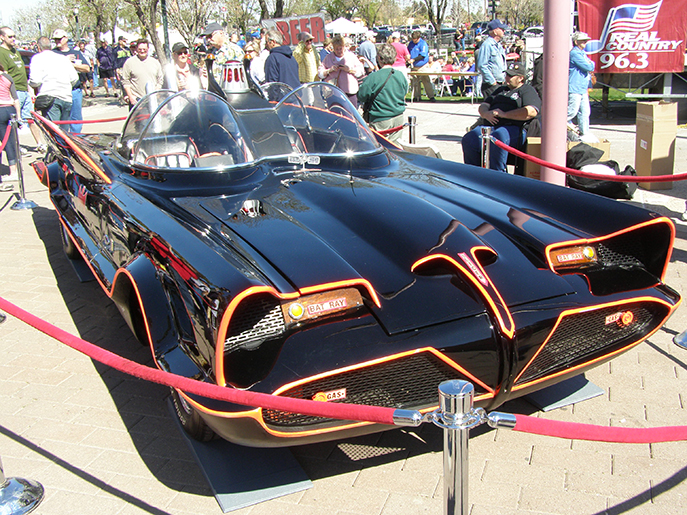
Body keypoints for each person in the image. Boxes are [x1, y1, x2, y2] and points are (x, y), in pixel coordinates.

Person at [461, 62, 541, 173]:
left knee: (498, 137)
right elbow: (484, 105)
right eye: (507, 74)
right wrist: (485, 114)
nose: (507, 78)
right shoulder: (500, 90)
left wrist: (505, 115)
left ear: (520, 78)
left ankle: (498, 175)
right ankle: (475, 175)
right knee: (469, 139)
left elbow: (531, 111)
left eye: (511, 76)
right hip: (491, 125)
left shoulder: (527, 90)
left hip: (513, 128)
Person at [0, 25, 44, 152]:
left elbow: (22, 72)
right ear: (2, 37)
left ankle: (40, 143)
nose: (13, 39)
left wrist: (29, 89)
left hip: (24, 89)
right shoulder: (2, 53)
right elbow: (5, 76)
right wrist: (10, 95)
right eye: (10, 37)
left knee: (31, 118)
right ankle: (15, 147)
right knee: (13, 121)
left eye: (14, 36)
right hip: (14, 92)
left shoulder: (15, 51)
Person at [357, 43, 407, 142]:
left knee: (380, 148)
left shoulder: (373, 77)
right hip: (398, 117)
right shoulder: (400, 75)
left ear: (379, 58)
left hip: (380, 118)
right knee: (395, 147)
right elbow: (404, 91)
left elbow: (361, 95)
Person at [29, 36, 78, 123]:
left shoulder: (37, 58)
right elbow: (74, 78)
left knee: (53, 131)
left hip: (50, 98)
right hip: (66, 97)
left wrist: (29, 84)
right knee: (64, 132)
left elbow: (36, 81)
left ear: (38, 47)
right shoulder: (63, 58)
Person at [52, 29, 89, 133]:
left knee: (76, 118)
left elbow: (87, 68)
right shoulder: (53, 54)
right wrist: (65, 61)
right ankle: (62, 142)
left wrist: (72, 65)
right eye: (55, 39)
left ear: (66, 38)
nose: (57, 41)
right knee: (61, 120)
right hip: (59, 91)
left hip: (75, 90)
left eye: (59, 39)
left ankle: (75, 140)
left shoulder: (76, 53)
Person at [318, 35, 364, 107]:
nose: (339, 51)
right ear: (333, 48)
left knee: (351, 115)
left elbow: (361, 72)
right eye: (336, 49)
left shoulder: (351, 56)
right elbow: (320, 74)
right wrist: (330, 70)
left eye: (340, 48)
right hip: (333, 93)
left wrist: (349, 70)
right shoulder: (328, 57)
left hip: (349, 92)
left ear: (344, 47)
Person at [121, 39, 163, 109]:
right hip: (137, 101)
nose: (142, 51)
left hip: (153, 100)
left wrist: (156, 92)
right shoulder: (129, 62)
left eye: (144, 49)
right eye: (140, 49)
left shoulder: (155, 62)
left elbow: (160, 80)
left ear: (148, 49)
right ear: (136, 49)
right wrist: (131, 97)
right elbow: (125, 81)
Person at [568, 31, 595, 139]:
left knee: (585, 111)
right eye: (582, 40)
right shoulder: (574, 53)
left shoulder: (582, 53)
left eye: (586, 40)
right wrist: (590, 64)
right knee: (572, 111)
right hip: (575, 87)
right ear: (576, 41)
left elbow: (591, 64)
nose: (585, 42)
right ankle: (560, 125)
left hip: (583, 87)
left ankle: (584, 133)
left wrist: (590, 64)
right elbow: (589, 66)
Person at [0, 62, 21, 190]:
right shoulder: (8, 77)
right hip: (11, 110)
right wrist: (18, 115)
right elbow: (16, 98)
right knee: (11, 141)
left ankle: (12, 171)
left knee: (5, 142)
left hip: (1, 110)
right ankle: (14, 169)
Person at [476, 19, 507, 98]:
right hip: (491, 86)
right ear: (495, 31)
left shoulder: (499, 46)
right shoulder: (487, 45)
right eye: (502, 29)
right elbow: (482, 65)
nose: (504, 30)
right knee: (493, 109)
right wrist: (492, 82)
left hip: (500, 83)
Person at [407, 30, 435, 102]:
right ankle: (417, 96)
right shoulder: (411, 44)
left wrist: (413, 59)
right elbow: (408, 52)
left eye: (415, 40)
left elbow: (422, 55)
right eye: (413, 39)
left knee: (426, 81)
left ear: (418, 38)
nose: (414, 41)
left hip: (422, 65)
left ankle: (431, 96)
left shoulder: (423, 44)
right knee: (414, 82)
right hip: (414, 66)